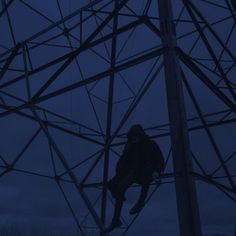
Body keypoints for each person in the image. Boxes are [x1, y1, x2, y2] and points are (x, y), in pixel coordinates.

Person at [104, 124, 164, 233]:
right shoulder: (130, 146)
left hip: (145, 172)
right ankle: (116, 220)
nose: (134, 138)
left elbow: (159, 160)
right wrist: (119, 174)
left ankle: (140, 202)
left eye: (136, 136)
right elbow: (123, 161)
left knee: (145, 178)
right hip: (131, 173)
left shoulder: (150, 144)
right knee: (119, 187)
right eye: (132, 136)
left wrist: (156, 171)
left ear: (141, 136)